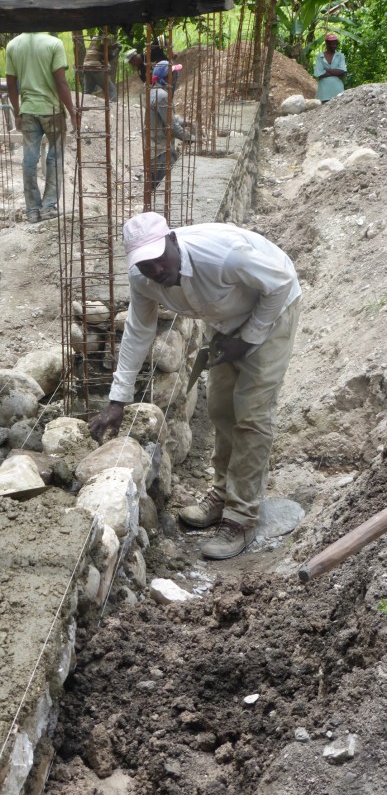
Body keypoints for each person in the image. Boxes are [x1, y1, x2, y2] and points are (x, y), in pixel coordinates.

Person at [88, 212, 301, 560]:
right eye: (145, 265)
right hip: (223, 320)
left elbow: (279, 284)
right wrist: (118, 400)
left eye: (159, 259)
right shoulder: (143, 279)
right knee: (220, 409)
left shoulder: (222, 255)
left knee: (251, 415)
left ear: (173, 240)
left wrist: (248, 339)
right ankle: (222, 494)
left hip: (272, 310)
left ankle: (242, 517)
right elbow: (138, 332)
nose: (156, 270)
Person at [5, 33, 77, 224]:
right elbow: (61, 82)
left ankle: (32, 210)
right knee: (56, 156)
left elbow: (11, 84)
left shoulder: (13, 45)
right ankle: (48, 207)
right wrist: (72, 111)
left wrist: (17, 112)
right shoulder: (54, 43)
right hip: (52, 110)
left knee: (29, 159)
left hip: (28, 110)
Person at [148, 61, 195, 190]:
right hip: (161, 152)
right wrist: (190, 138)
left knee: (156, 190)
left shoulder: (154, 92)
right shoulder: (161, 96)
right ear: (166, 77)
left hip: (156, 150)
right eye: (173, 75)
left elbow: (167, 119)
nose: (176, 78)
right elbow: (172, 126)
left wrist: (184, 122)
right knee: (164, 191)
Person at [82, 32, 121, 103]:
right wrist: (117, 50)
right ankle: (112, 107)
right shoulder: (105, 37)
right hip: (96, 66)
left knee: (88, 91)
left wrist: (112, 47)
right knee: (111, 90)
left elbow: (101, 49)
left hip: (86, 66)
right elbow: (109, 57)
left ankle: (84, 105)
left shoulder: (96, 37)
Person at [314, 33, 347, 103]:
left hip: (338, 91)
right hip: (323, 93)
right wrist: (336, 73)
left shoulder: (340, 56)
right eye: (332, 44)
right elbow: (318, 73)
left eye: (335, 44)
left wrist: (326, 70)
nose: (334, 46)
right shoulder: (320, 56)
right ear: (327, 44)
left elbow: (342, 71)